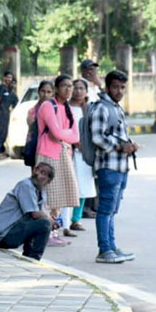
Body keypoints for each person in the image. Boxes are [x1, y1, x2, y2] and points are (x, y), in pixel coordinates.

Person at [90, 70, 138, 264]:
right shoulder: (102, 108)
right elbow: (97, 137)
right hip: (108, 166)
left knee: (112, 210)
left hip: (121, 166)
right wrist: (120, 147)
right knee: (105, 209)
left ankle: (111, 246)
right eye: (116, 87)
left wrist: (129, 146)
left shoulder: (116, 108)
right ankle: (104, 249)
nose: (119, 91)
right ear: (108, 87)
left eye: (122, 87)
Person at [34, 75, 81, 247]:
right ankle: (45, 233)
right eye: (64, 86)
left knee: (60, 197)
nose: (69, 90)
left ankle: (54, 231)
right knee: (47, 196)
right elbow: (56, 133)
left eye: (71, 86)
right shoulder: (48, 106)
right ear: (56, 88)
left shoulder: (66, 107)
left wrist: (64, 135)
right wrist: (65, 135)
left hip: (63, 154)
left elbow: (76, 136)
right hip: (48, 154)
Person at [0, 162, 55, 260]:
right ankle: (33, 258)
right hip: (0, 236)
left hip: (8, 233)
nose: (38, 174)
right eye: (37, 170)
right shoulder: (26, 185)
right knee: (44, 223)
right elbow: (35, 214)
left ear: (48, 181)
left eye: (43, 173)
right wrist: (50, 219)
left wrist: (50, 219)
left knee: (42, 222)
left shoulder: (40, 192)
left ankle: (29, 256)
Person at [68, 78, 97, 232]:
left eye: (81, 88)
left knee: (83, 185)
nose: (78, 91)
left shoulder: (90, 109)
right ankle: (64, 219)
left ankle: (76, 219)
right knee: (69, 184)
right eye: (75, 88)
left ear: (86, 92)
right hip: (69, 150)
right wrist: (73, 142)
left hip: (85, 152)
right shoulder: (66, 108)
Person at [0, 71, 19, 158]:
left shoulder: (11, 91)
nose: (9, 79)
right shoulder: (2, 88)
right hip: (0, 113)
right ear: (4, 77)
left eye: (11, 78)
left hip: (6, 114)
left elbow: (16, 104)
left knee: (4, 132)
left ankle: (2, 149)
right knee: (0, 132)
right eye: (7, 77)